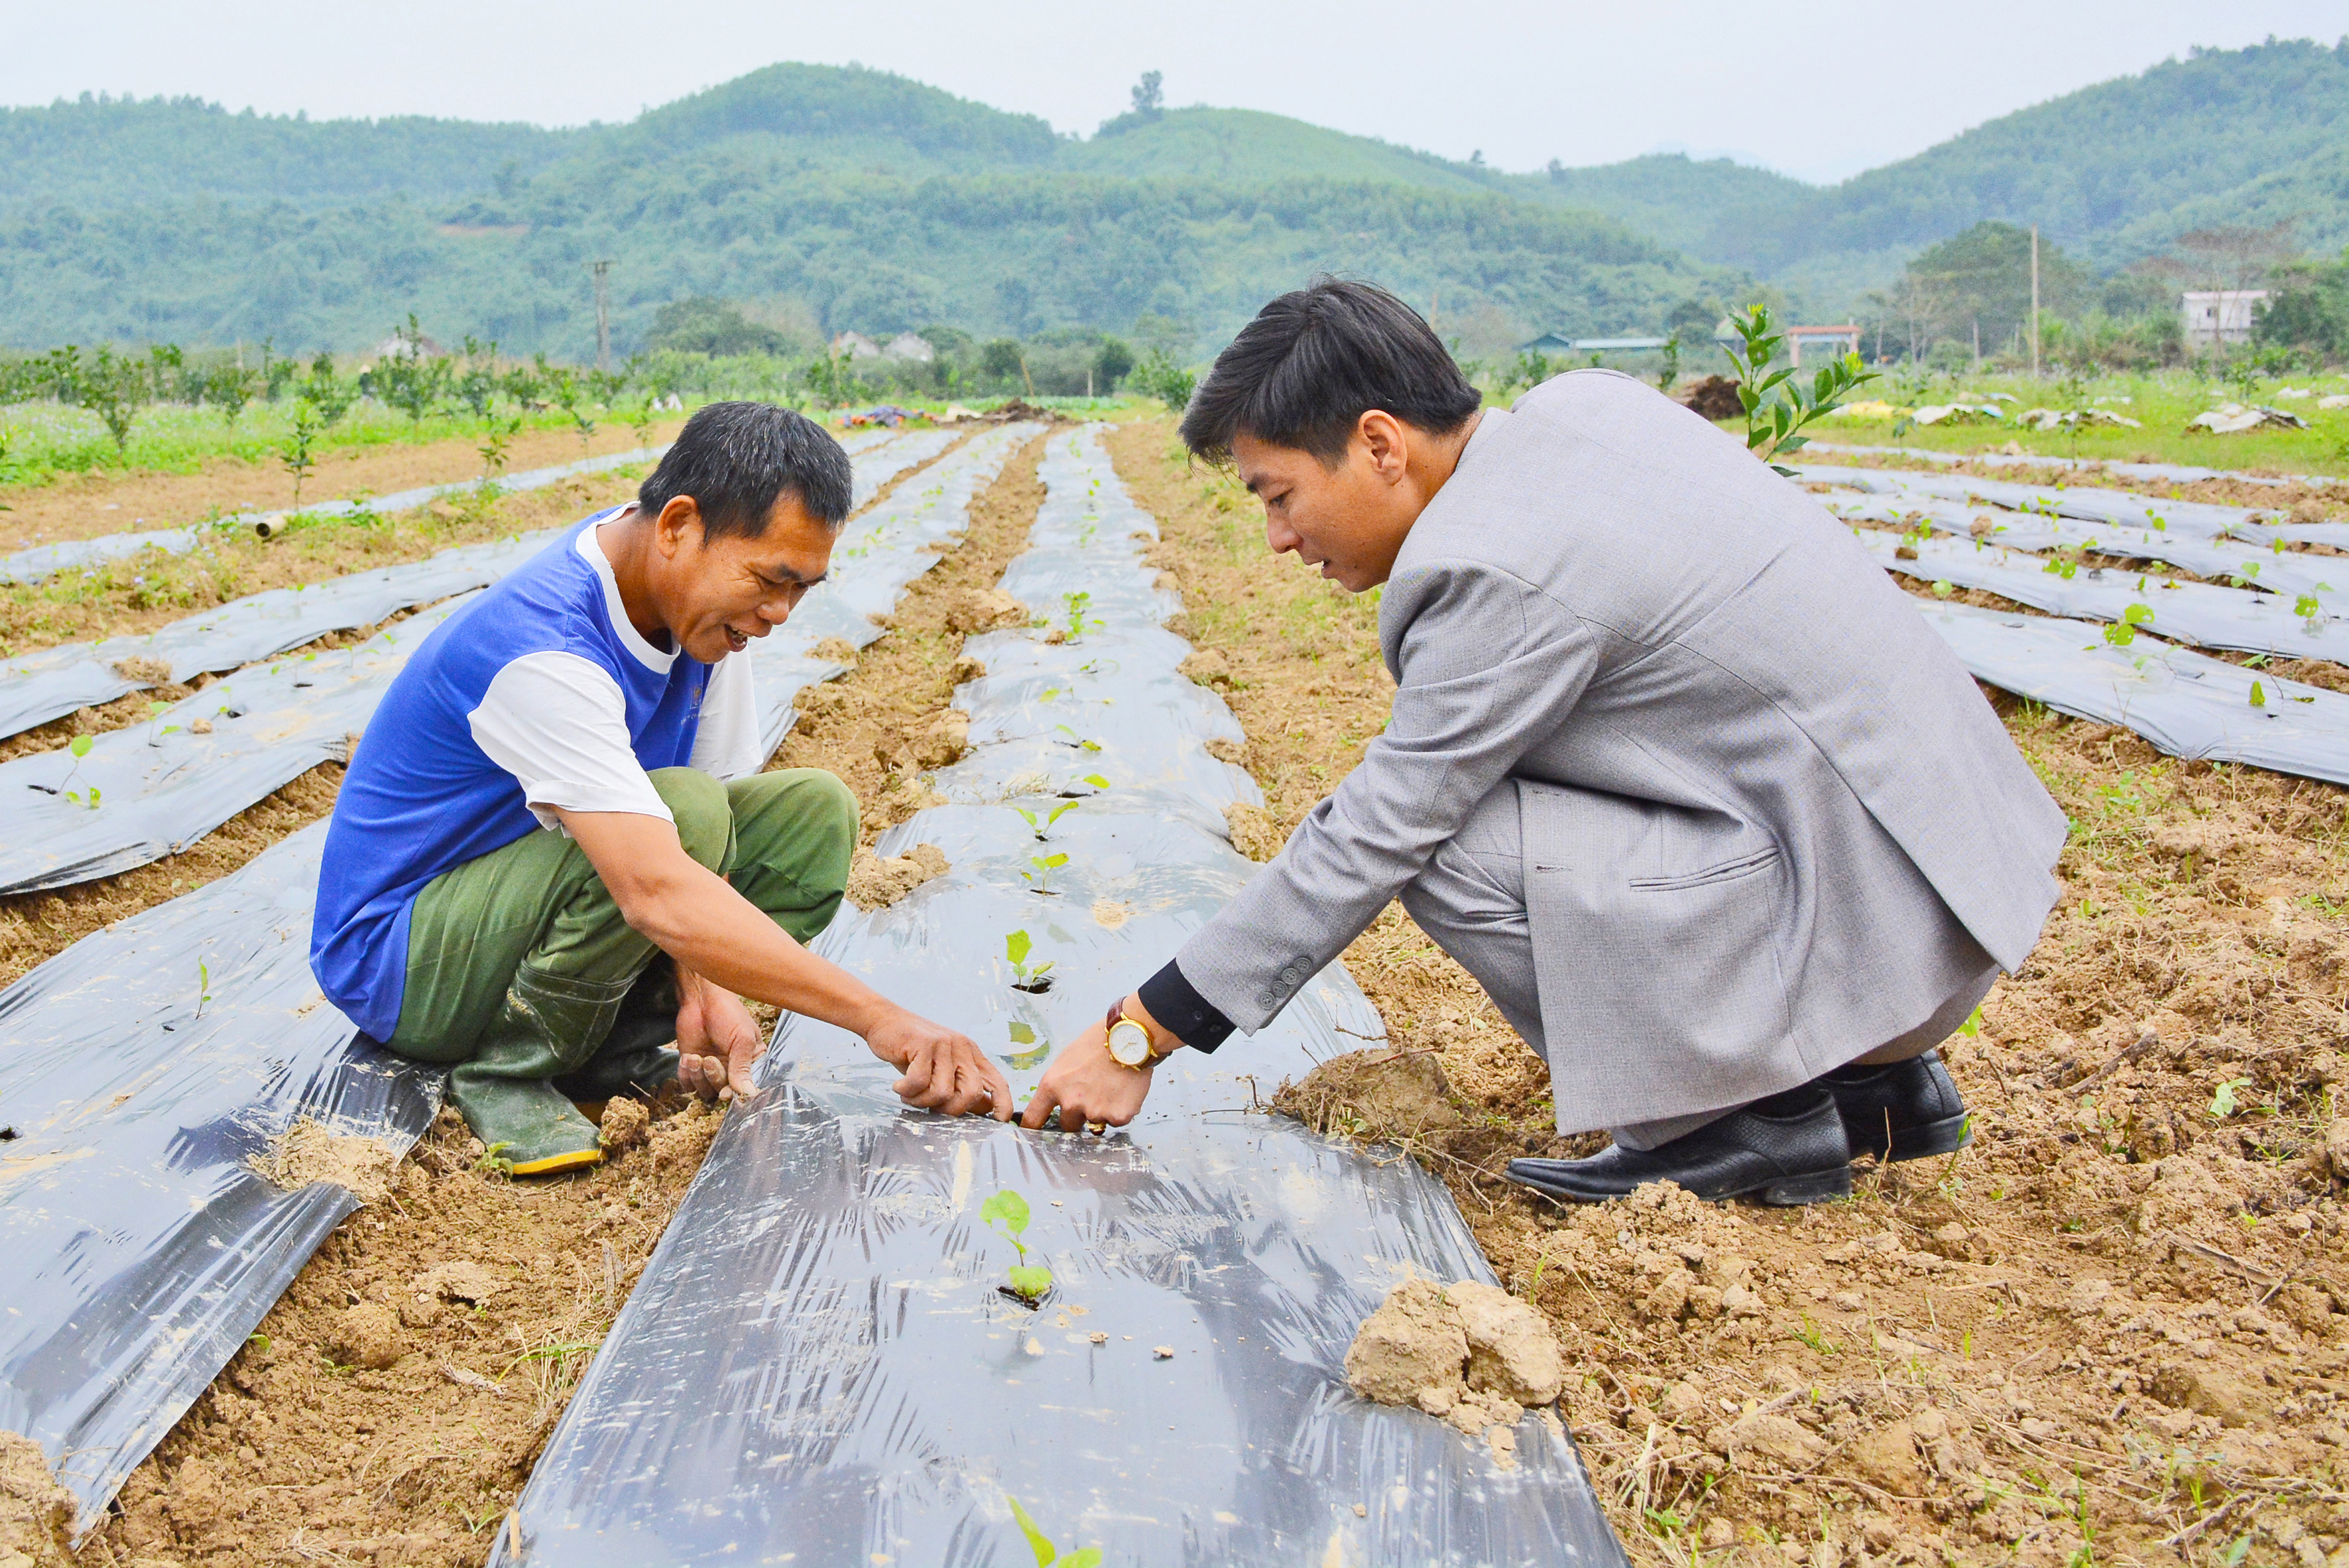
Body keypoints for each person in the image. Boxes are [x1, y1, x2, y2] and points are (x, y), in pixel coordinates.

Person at [1020, 279, 2065, 1205]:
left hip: (1873, 936)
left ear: (1381, 443)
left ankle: (1732, 1121)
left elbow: (1378, 830)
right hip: (1939, 902)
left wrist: (1142, 1032)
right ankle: (1877, 1089)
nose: (1280, 539)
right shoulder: (1584, 411)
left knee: (1445, 843)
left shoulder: (1493, 565)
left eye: (1281, 496)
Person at [310, 400, 1011, 1175]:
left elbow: (708, 849)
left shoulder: (704, 618)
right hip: (407, 961)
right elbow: (656, 883)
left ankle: (606, 1048)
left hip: (535, 896)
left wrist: (702, 988)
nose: (779, 613)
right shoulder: (544, 650)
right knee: (683, 812)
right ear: (677, 526)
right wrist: (883, 1021)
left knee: (810, 813)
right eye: (770, 580)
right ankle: (506, 1069)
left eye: (803, 589)